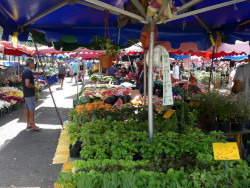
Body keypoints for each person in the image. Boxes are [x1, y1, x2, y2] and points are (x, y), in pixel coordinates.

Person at [22, 58, 40, 131]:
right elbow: (27, 84)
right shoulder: (28, 72)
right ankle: (33, 125)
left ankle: (28, 123)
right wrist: (34, 87)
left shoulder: (24, 71)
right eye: (33, 64)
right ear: (30, 64)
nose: (34, 65)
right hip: (29, 93)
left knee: (27, 108)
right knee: (31, 109)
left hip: (26, 93)